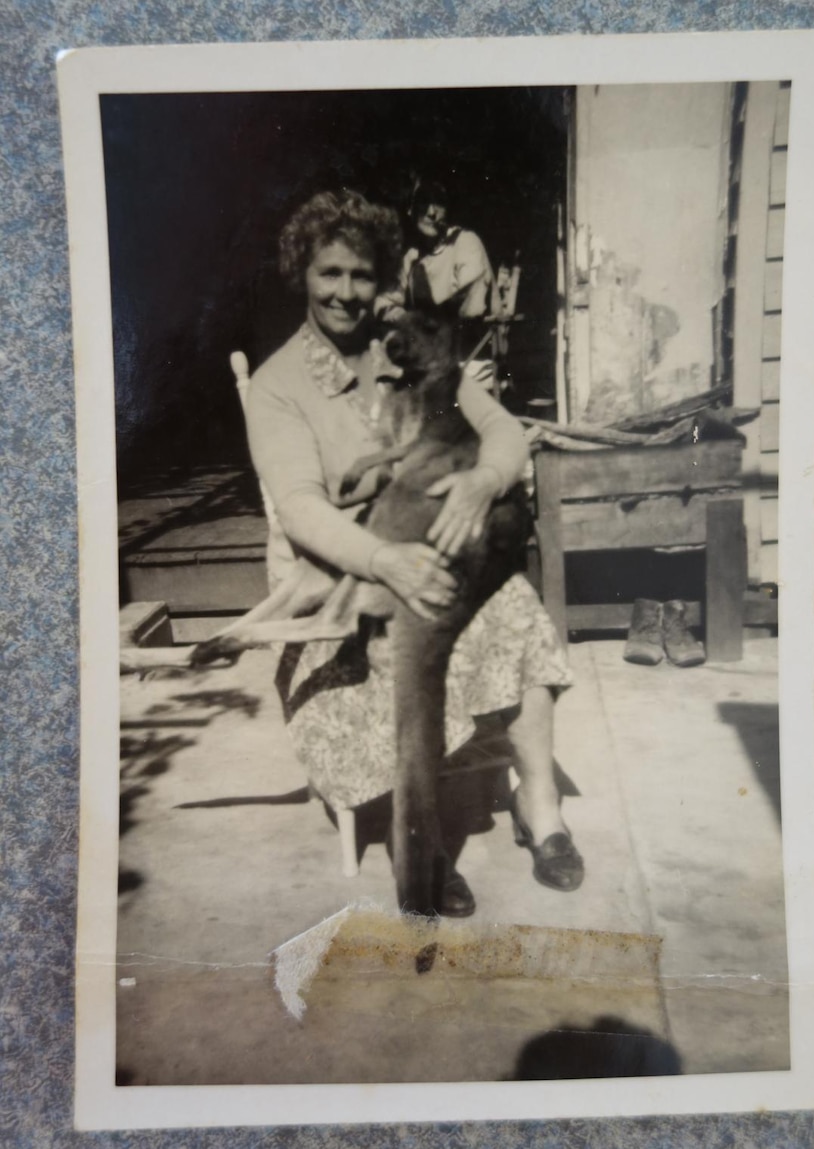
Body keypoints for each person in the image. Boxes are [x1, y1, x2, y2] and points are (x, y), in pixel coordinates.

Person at [244, 189, 581, 916]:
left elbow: (504, 430)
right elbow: (301, 509)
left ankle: (541, 805)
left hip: (427, 556)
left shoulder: (408, 348)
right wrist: (381, 561)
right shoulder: (278, 387)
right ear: (302, 271)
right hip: (340, 586)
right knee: (402, 648)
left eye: (362, 275)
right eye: (329, 273)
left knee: (513, 602)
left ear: (385, 280)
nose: (346, 292)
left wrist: (484, 481)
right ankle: (419, 841)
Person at [401, 181, 501, 389]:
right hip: (430, 364)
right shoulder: (411, 258)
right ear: (410, 210)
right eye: (423, 203)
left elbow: (473, 306)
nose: (431, 212)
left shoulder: (465, 243)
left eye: (439, 203)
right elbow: (387, 299)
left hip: (471, 361)